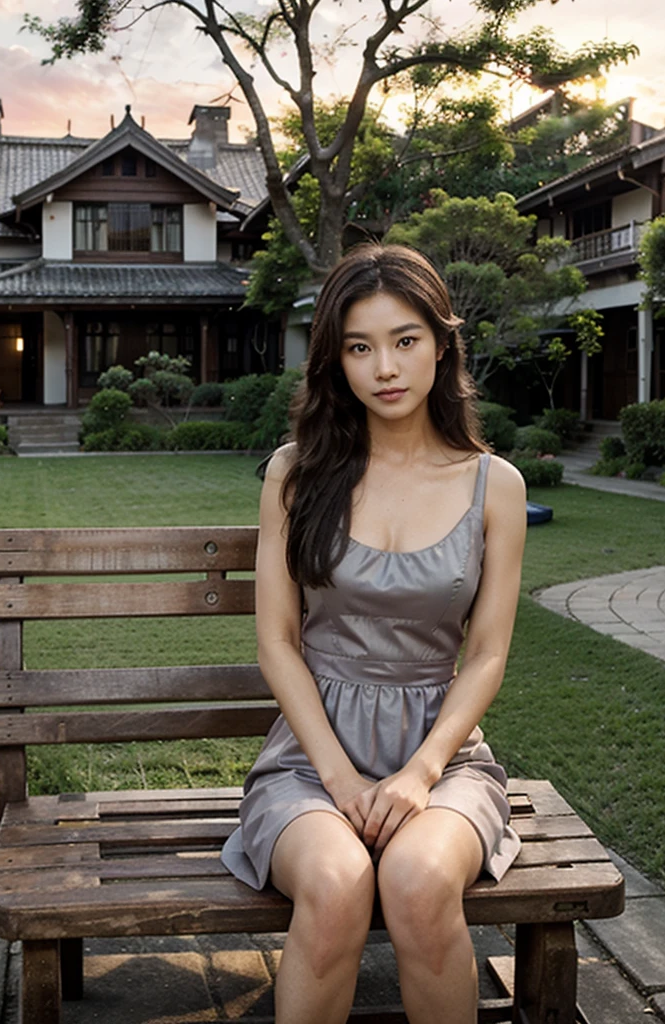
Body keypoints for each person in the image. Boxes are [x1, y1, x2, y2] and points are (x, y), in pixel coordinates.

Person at [220, 243, 526, 1024]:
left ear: (441, 344)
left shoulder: (496, 487)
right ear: (336, 361)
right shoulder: (296, 474)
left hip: (444, 758)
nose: (384, 366)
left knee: (420, 882)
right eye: (360, 347)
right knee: (338, 881)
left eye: (404, 340)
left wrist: (421, 774)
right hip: (309, 760)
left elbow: (487, 653)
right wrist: (343, 778)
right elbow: (278, 643)